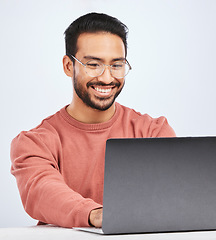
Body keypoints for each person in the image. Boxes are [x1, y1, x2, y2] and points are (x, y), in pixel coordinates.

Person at [10, 12, 176, 228]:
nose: (107, 78)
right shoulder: (34, 143)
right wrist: (95, 214)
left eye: (117, 65)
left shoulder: (154, 132)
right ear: (69, 66)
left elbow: (174, 197)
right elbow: (41, 190)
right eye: (93, 64)